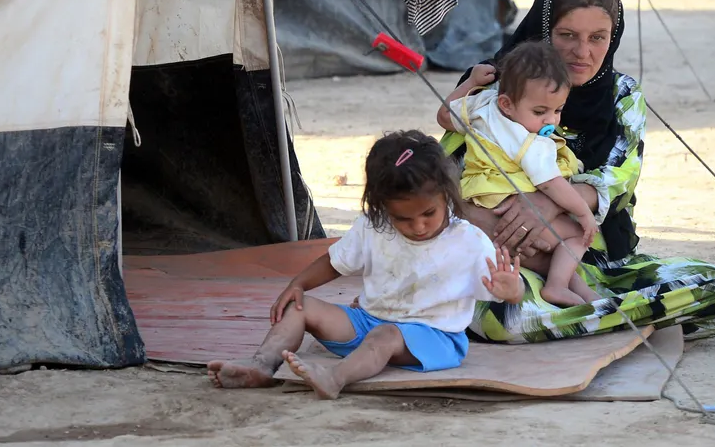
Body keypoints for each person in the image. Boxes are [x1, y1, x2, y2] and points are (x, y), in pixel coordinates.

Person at [436, 0, 715, 343]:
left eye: (598, 37)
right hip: (500, 256)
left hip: (593, 263)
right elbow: (447, 172)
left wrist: (547, 203)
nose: (583, 52)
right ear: (544, 31)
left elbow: (620, 177)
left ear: (614, 36)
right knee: (501, 315)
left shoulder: (622, 95)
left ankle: (585, 313)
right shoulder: (496, 85)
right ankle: (619, 317)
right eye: (567, 35)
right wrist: (490, 227)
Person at [206, 130, 523, 399]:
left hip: (435, 339)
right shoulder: (373, 226)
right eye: (402, 218)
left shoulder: (468, 242)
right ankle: (262, 365)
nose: (418, 226)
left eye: (429, 213)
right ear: (381, 206)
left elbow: (512, 295)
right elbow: (334, 262)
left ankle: (335, 378)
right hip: (367, 321)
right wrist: (297, 285)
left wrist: (512, 290)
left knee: (385, 335)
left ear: (447, 196)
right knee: (302, 307)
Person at [450, 41, 599, 308]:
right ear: (507, 104)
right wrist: (586, 214)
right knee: (576, 236)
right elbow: (552, 184)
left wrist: (471, 81)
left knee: (557, 254)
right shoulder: (531, 143)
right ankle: (555, 287)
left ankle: (582, 294)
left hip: (481, 201)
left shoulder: (482, 105)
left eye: (557, 110)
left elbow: (443, 114)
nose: (550, 121)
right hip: (512, 208)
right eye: (540, 112)